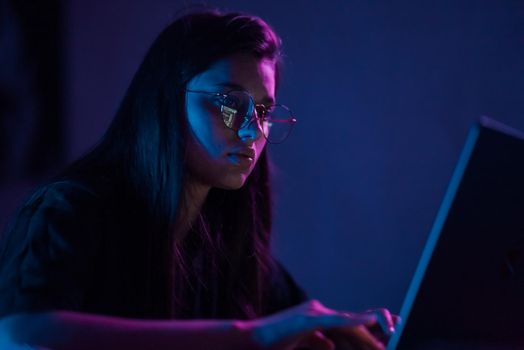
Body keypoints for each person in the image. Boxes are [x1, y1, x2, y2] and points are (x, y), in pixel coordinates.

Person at [0, 10, 397, 350]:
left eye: (262, 110)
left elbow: (298, 326)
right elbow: (19, 335)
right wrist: (250, 337)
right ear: (167, 102)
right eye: (229, 104)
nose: (251, 132)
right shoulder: (69, 209)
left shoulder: (227, 239)